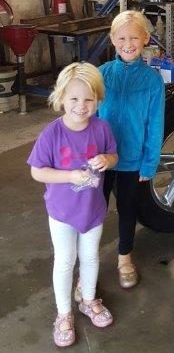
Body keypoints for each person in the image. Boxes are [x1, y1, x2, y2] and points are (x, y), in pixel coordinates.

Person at [27, 62, 118, 347]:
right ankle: (63, 313)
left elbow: (113, 155)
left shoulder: (101, 128)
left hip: (92, 211)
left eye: (89, 99)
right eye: (74, 98)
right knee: (65, 261)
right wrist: (68, 175)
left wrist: (107, 160)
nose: (81, 105)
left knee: (90, 257)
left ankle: (88, 300)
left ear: (98, 100)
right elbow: (37, 171)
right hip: (62, 213)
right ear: (61, 98)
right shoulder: (51, 134)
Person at [98, 10, 165, 289]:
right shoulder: (101, 74)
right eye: (122, 37)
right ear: (113, 39)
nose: (128, 43)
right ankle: (87, 260)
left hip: (131, 161)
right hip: (99, 159)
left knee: (127, 210)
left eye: (134, 37)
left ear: (145, 39)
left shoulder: (152, 80)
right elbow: (86, 115)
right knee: (93, 211)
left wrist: (149, 164)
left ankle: (124, 257)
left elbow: (155, 124)